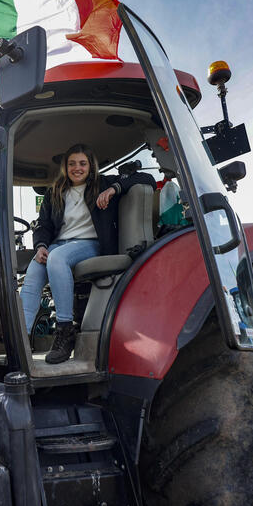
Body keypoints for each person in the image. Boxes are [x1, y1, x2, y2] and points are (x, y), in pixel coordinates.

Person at [21, 144, 156, 364]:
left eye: (82, 163)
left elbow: (146, 179)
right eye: (72, 163)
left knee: (57, 259)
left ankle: (65, 330)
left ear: (90, 166)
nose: (77, 168)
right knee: (34, 272)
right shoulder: (55, 192)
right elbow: (43, 225)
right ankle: (22, 339)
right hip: (58, 245)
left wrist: (114, 189)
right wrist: (41, 246)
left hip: (90, 244)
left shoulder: (103, 184)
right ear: (66, 167)